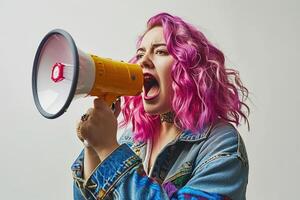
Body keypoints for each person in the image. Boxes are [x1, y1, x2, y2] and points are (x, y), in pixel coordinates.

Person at [72, 12, 250, 200]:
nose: (143, 61)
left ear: (190, 69)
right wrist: (92, 145)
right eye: (140, 54)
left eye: (160, 52)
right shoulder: (133, 139)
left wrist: (108, 148)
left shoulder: (221, 143)